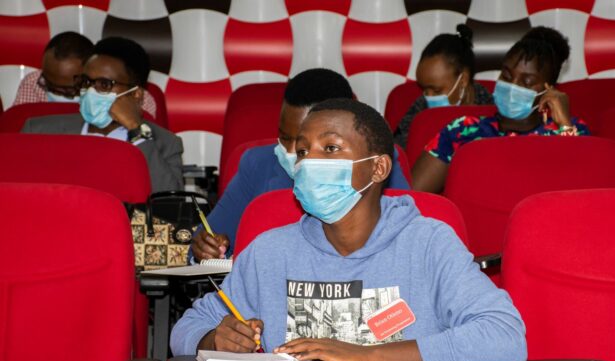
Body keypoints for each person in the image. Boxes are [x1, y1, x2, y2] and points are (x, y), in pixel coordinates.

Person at [171, 98, 527, 361]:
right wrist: (216, 337)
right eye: (303, 151)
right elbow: (186, 328)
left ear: (377, 168)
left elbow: (504, 335)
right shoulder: (270, 251)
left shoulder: (429, 243)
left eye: (330, 148)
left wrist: (368, 357)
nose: (310, 162)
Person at [191, 68, 410, 262]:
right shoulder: (258, 165)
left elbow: (405, 246)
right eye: (286, 138)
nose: (294, 153)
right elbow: (204, 240)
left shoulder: (372, 165)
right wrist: (206, 248)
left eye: (311, 144)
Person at [412, 26, 589, 193]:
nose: (512, 86)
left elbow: (581, 193)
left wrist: (564, 126)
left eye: (526, 82)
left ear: (548, 90)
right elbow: (410, 196)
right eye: (506, 75)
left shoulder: (572, 131)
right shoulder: (462, 129)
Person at [22, 37, 182, 193]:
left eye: (104, 84)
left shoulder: (166, 143)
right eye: (86, 82)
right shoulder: (38, 131)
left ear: (136, 95)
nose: (91, 91)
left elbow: (170, 208)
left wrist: (136, 130)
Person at [393, 24, 492, 149]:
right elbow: (397, 152)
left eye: (436, 90)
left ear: (463, 80)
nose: (429, 97)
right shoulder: (420, 107)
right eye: (424, 89)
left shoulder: (491, 113)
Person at [13, 32, 158, 116]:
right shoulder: (33, 82)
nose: (57, 93)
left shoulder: (137, 98)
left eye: (69, 90)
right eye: (50, 86)